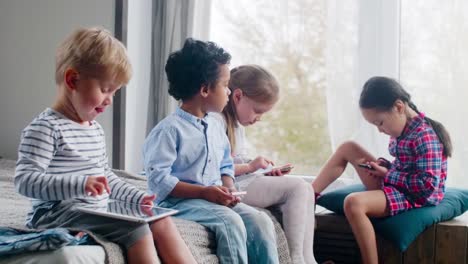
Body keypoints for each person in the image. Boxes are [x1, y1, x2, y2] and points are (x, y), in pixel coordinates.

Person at [14, 27, 196, 264]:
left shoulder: (94, 130)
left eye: (115, 92)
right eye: (105, 89)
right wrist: (80, 184)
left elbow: (105, 179)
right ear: (73, 80)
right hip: (53, 214)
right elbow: (25, 181)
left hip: (91, 210)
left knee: (160, 220)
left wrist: (137, 198)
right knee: (136, 230)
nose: (110, 100)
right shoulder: (45, 128)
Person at [142, 38, 279, 264]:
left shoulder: (216, 127)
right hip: (179, 202)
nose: (228, 92)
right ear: (205, 89)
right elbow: (158, 181)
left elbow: (225, 164)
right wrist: (204, 192)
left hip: (212, 199)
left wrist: (229, 188)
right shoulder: (169, 130)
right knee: (230, 222)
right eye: (225, 85)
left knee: (260, 220)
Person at [312, 76, 452, 264]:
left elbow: (427, 186)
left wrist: (389, 174)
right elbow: (406, 165)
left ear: (399, 107)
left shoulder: (425, 136)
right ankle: (308, 196)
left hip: (415, 197)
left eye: (380, 123)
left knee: (353, 203)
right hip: (397, 183)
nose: (379, 130)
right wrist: (387, 166)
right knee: (348, 147)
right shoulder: (404, 127)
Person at [215, 64, 317, 264]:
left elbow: (239, 160)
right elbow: (214, 167)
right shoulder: (216, 121)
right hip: (230, 185)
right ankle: (295, 259)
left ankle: (308, 258)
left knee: (307, 189)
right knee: (296, 188)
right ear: (237, 97)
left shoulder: (236, 125)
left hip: (244, 180)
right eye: (257, 110)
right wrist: (251, 167)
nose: (259, 118)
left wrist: (264, 171)